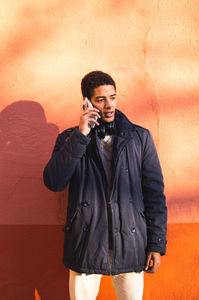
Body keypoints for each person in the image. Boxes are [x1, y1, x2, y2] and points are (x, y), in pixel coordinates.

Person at [43, 71, 167, 300]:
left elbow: (155, 194)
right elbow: (54, 182)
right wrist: (81, 136)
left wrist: (156, 244)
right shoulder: (70, 138)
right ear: (87, 102)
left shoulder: (139, 137)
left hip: (131, 244)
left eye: (113, 97)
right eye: (101, 99)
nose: (109, 105)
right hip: (86, 244)